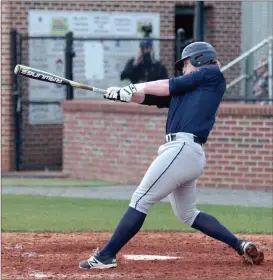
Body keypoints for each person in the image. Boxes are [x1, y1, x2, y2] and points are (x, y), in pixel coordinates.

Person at [79, 42, 264, 269]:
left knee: (141, 199)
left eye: (185, 64)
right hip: (186, 154)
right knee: (187, 214)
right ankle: (240, 245)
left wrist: (134, 86)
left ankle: (106, 255)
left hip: (182, 149)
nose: (183, 69)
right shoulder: (188, 89)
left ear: (198, 59)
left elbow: (169, 84)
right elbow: (149, 97)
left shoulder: (211, 74)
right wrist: (122, 94)